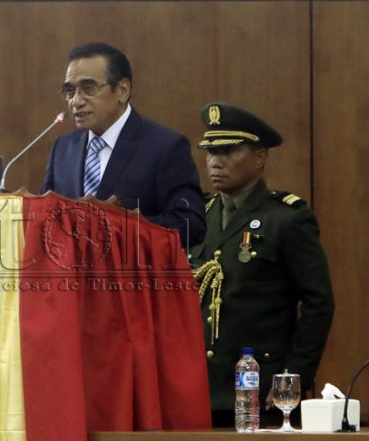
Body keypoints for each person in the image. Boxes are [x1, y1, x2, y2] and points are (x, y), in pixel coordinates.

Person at [189, 102, 335, 427]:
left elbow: (319, 302)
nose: (215, 162)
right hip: (200, 391)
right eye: (211, 152)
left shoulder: (286, 218)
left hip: (260, 392)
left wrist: (293, 376)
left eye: (228, 152)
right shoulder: (199, 216)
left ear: (259, 157)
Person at [40, 42, 206, 247]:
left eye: (88, 88)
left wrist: (116, 228)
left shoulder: (165, 147)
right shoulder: (64, 148)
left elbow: (191, 225)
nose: (76, 101)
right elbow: (45, 216)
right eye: (69, 91)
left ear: (122, 90)